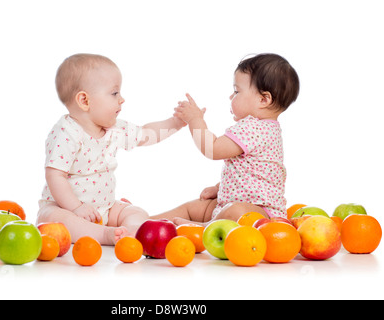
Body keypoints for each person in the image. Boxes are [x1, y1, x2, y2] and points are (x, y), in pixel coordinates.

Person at [37, 53, 186, 245]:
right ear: (84, 100)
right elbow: (55, 176)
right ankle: (104, 235)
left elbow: (145, 134)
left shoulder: (114, 128)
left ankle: (130, 231)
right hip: (65, 208)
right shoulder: (67, 133)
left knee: (136, 212)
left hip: (105, 209)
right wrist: (76, 207)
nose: (122, 99)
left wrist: (175, 123)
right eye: (114, 93)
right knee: (52, 218)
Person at [152, 53, 299, 226]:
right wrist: (219, 187)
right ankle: (145, 221)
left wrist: (195, 120)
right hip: (231, 206)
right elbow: (248, 172)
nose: (231, 97)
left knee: (236, 211)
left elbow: (212, 149)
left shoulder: (254, 127)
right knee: (194, 207)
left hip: (261, 216)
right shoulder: (268, 129)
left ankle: (203, 228)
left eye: (236, 91)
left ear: (263, 99)